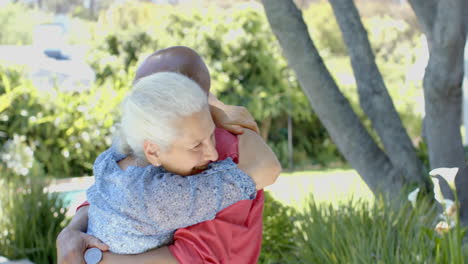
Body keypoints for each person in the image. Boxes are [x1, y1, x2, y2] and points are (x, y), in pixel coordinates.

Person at [57, 46, 278, 263]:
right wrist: (71, 231)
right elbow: (103, 196)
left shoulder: (225, 152)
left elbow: (199, 257)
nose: (143, 106)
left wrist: (98, 260)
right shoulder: (137, 149)